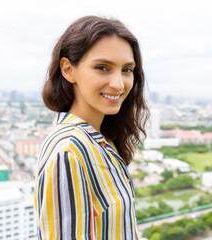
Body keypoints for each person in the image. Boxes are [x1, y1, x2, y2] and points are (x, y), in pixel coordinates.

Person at [34, 16, 149, 239]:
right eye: (102, 67)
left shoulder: (101, 141)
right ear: (68, 70)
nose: (118, 84)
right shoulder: (68, 154)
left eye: (127, 70)